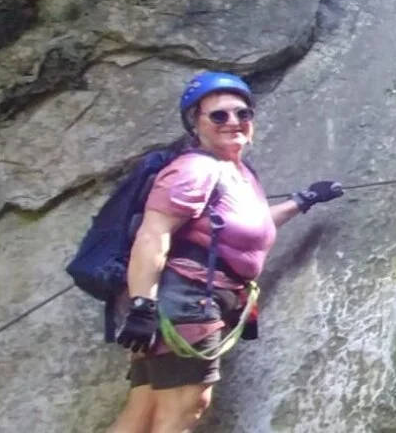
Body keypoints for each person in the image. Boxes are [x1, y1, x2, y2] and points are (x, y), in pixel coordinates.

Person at [107, 72, 345, 433]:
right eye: (219, 115)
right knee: (183, 410)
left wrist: (303, 200)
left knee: (144, 409)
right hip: (185, 301)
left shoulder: (236, 171)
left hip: (186, 300)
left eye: (242, 113)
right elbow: (152, 234)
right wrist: (143, 304)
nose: (233, 121)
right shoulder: (193, 169)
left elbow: (248, 228)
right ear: (195, 123)